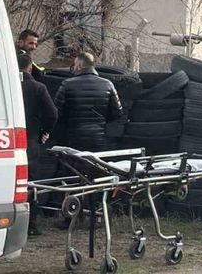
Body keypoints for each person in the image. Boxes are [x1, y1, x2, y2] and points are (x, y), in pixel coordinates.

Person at [18, 53, 58, 236]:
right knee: (30, 182)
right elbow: (52, 113)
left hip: (6, 140)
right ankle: (31, 224)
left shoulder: (6, 86)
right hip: (30, 140)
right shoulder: (38, 88)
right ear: (29, 68)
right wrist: (44, 132)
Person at [53, 52, 123, 153]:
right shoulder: (108, 84)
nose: (73, 68)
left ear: (80, 66)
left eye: (75, 64)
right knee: (95, 167)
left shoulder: (67, 84)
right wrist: (101, 121)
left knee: (73, 166)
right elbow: (118, 112)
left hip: (73, 137)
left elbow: (56, 111)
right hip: (98, 137)